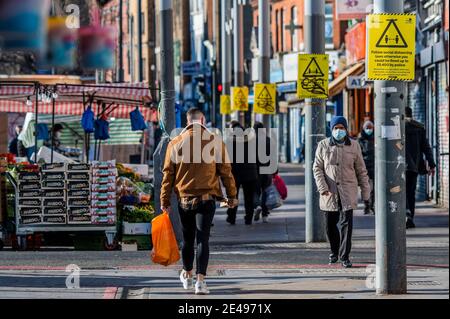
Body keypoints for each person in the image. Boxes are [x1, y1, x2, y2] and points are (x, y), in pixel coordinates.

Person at [160, 108, 237, 295]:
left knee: (187, 238)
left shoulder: (175, 143)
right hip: (207, 199)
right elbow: (226, 172)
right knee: (203, 239)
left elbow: (168, 175)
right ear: (202, 120)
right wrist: (232, 196)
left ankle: (187, 275)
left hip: (184, 199)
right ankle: (200, 282)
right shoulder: (215, 142)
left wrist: (164, 200)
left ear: (187, 121)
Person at [313, 116, 371, 268]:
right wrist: (323, 187)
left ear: (346, 129)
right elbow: (317, 168)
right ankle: (334, 251)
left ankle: (344, 256)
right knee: (330, 225)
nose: (339, 131)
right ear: (331, 129)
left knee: (347, 225)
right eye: (336, 128)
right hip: (329, 192)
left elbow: (361, 170)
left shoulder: (354, 145)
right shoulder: (323, 145)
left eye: (342, 128)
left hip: (348, 191)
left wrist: (366, 194)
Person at [405, 107, 436, 229]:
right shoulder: (419, 127)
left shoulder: (398, 127)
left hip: (399, 166)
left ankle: (406, 214)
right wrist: (432, 164)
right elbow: (426, 147)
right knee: (411, 192)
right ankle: (410, 216)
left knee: (401, 192)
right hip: (414, 166)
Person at [225, 121, 259, 225]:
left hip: (235, 174)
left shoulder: (230, 142)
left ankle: (231, 217)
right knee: (248, 197)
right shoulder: (251, 140)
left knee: (232, 196)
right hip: (250, 173)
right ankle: (248, 218)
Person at [253, 122, 273, 223]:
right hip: (266, 170)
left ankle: (257, 206)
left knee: (255, 191)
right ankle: (265, 215)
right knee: (265, 191)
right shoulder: (268, 140)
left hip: (254, 170)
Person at [358, 120, 375, 215]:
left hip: (374, 166)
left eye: (370, 128)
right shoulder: (360, 140)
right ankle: (366, 205)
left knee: (374, 189)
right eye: (367, 128)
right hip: (364, 167)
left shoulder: (376, 139)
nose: (369, 130)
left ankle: (372, 205)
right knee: (365, 187)